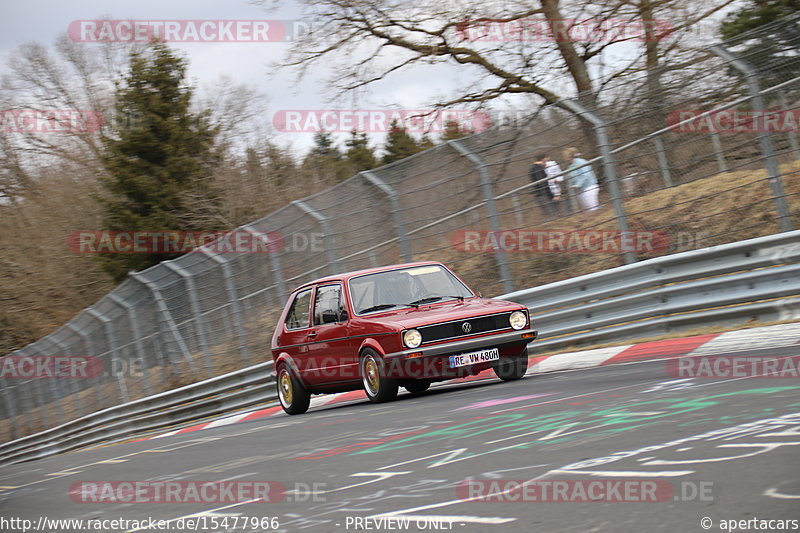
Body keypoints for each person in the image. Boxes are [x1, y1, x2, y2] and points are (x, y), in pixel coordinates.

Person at [563, 147, 600, 211]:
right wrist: (571, 186)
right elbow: (570, 177)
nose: (564, 158)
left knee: (593, 209)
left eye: (565, 156)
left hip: (589, 187)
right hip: (580, 191)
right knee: (587, 211)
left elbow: (586, 174)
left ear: (570, 155)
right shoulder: (570, 166)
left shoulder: (580, 162)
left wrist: (578, 185)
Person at [530, 154, 559, 219]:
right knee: (552, 216)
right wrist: (552, 196)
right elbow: (543, 185)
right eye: (545, 160)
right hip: (544, 196)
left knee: (547, 216)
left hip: (539, 195)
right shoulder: (539, 169)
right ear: (542, 159)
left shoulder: (532, 169)